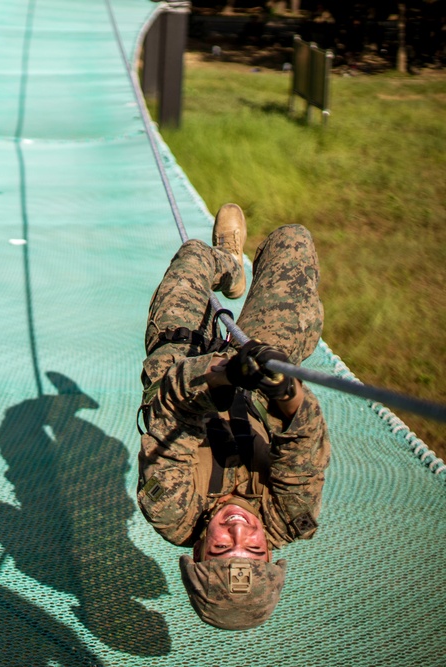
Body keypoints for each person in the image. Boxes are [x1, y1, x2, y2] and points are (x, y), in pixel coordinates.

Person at [136, 203, 331, 630]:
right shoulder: (290, 515)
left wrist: (223, 375)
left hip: (184, 370)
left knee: (194, 258)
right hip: (263, 380)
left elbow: (174, 412)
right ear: (270, 553)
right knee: (292, 239)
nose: (239, 531)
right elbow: (305, 441)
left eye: (223, 547)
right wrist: (284, 387)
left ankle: (228, 262)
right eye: (254, 549)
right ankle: (247, 277)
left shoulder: (168, 509)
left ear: (199, 554)